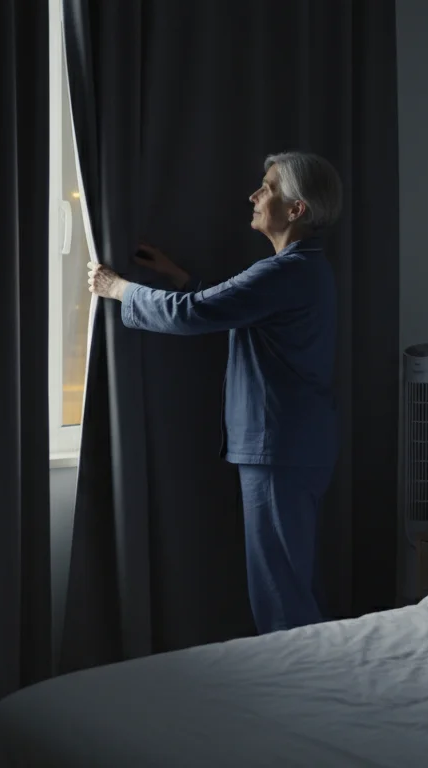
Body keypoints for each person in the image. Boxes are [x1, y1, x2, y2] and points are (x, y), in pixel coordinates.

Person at [87, 151, 341, 635]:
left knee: (280, 592)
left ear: (296, 209)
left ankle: (297, 676)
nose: (254, 195)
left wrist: (119, 289)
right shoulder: (304, 270)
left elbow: (194, 314)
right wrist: (183, 280)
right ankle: (317, 667)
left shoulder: (285, 273)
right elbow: (237, 308)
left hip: (279, 446)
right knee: (293, 581)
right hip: (296, 444)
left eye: (267, 187)